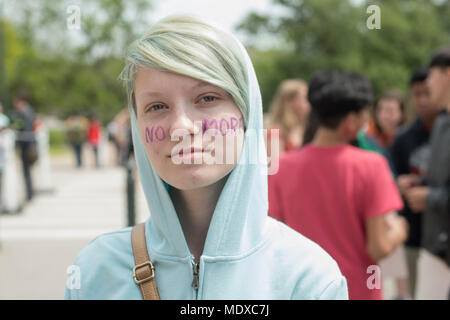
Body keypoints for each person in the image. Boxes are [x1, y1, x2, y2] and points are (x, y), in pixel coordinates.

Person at [65, 15, 348, 300]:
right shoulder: (96, 271)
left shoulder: (308, 277)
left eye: (207, 98)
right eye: (157, 106)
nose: (181, 127)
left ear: (246, 111)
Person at [269, 70, 408, 300]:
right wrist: (400, 229)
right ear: (351, 121)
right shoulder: (372, 166)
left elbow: (275, 238)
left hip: (302, 290)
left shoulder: (282, 167)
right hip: (358, 291)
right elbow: (378, 247)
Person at [400, 47, 450, 299]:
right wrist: (419, 183)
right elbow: (440, 180)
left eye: (431, 76)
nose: (428, 85)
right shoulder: (442, 124)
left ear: (447, 75)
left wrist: (428, 197)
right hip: (433, 247)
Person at [390, 67, 441, 299]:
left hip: (441, 231)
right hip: (412, 232)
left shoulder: (445, 131)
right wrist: (399, 184)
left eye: (427, 93)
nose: (422, 100)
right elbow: (390, 183)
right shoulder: (403, 138)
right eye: (416, 94)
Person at [266, 79, 310, 158]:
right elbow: (275, 164)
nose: (309, 102)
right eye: (305, 98)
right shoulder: (275, 131)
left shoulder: (305, 126)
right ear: (290, 102)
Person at [11, 92, 37, 202]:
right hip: (29, 143)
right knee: (28, 171)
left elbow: (22, 127)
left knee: (26, 170)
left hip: (26, 144)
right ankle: (30, 192)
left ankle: (29, 194)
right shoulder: (29, 111)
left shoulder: (24, 113)